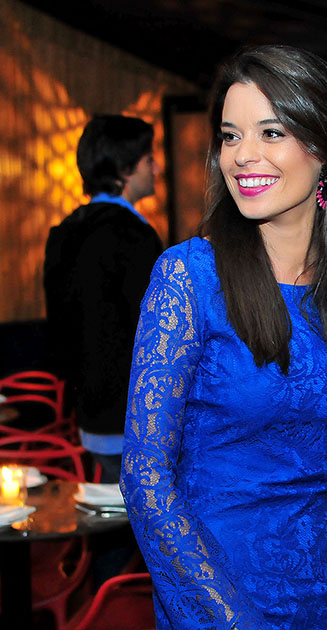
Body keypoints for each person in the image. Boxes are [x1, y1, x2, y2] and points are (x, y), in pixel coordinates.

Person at [121, 45, 327, 630]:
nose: (242, 155)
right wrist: (233, 619)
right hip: (215, 598)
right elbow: (145, 476)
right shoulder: (189, 278)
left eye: (271, 132)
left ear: (324, 148)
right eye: (230, 136)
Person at [44, 114, 163, 483]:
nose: (156, 168)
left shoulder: (64, 232)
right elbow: (154, 334)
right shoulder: (133, 236)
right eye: (148, 159)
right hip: (135, 417)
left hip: (89, 416)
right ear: (125, 169)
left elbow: (60, 332)